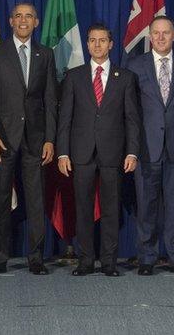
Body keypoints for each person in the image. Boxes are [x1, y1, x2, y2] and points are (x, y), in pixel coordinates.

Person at [0, 3, 58, 276]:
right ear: (11, 21)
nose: (23, 21)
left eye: (29, 17)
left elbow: (50, 100)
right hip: (2, 140)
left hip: (35, 141)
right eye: (18, 16)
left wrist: (50, 139)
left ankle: (36, 258)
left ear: (36, 22)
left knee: (36, 200)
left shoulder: (45, 54)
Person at [57, 23, 140, 276]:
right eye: (92, 40)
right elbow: (65, 119)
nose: (97, 45)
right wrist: (62, 153)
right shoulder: (74, 76)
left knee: (110, 210)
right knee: (82, 209)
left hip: (113, 154)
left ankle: (109, 263)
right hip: (80, 154)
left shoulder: (125, 78)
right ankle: (85, 261)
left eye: (102, 40)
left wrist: (132, 152)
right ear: (87, 43)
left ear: (111, 44)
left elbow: (132, 119)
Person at [124, 15, 174, 276]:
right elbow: (131, 111)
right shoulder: (135, 66)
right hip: (146, 148)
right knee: (146, 205)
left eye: (165, 33)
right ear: (149, 36)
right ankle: (147, 257)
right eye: (155, 33)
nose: (160, 37)